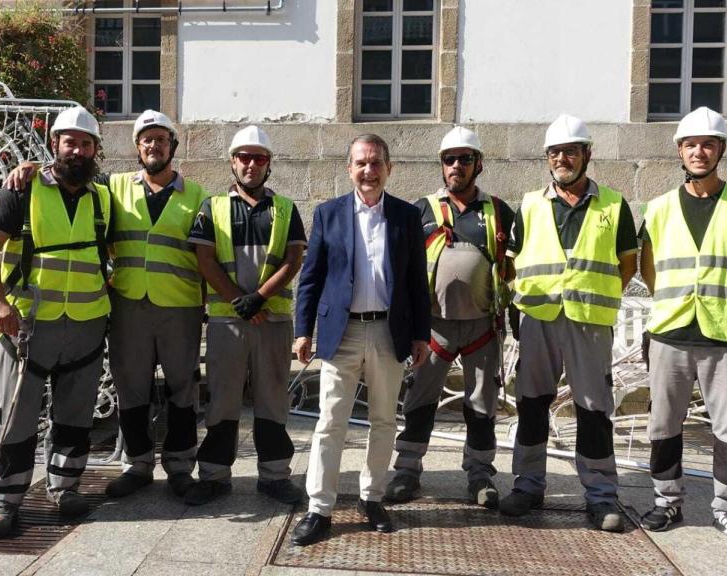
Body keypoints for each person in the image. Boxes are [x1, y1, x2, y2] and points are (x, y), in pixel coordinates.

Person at [2, 110, 209, 500]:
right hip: (128, 305)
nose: (153, 145)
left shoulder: (196, 195)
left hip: (180, 308)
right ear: (136, 147)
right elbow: (67, 178)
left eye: (161, 139)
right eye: (146, 139)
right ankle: (137, 465)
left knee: (183, 391)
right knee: (132, 390)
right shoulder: (113, 188)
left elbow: (206, 255)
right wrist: (28, 168)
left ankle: (181, 468)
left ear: (173, 146)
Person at [0, 106, 111, 537]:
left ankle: (65, 486)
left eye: (86, 143)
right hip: (27, 325)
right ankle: (4, 498)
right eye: (69, 142)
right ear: (55, 145)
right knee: (15, 413)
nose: (78, 150)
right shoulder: (23, 189)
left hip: (86, 322)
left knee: (75, 412)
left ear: (95, 150)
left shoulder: (103, 194)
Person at [290, 134, 431, 546]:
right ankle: (320, 508)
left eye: (375, 163)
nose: (368, 171)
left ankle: (372, 498)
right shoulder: (329, 214)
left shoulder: (406, 216)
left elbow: (416, 283)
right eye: (361, 163)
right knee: (330, 421)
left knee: (384, 420)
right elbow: (311, 279)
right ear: (348, 168)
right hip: (343, 332)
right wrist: (303, 330)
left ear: (389, 167)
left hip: (389, 332)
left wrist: (421, 333)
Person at [638, 106, 727, 549]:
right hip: (671, 332)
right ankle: (667, 501)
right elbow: (649, 268)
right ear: (680, 150)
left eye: (708, 144)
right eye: (691, 144)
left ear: (721, 150)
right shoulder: (657, 209)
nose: (699, 151)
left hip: (724, 334)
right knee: (663, 423)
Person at [501, 114, 637, 533]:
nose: (563, 159)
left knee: (594, 409)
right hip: (539, 318)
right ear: (547, 159)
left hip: (588, 321)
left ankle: (600, 496)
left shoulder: (614, 205)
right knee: (531, 403)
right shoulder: (529, 204)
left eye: (571, 151)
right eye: (555, 153)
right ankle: (527, 485)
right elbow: (511, 264)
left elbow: (626, 265)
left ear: (587, 155)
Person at [384, 126, 514, 509]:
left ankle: (480, 475)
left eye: (465, 159)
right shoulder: (420, 210)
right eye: (449, 159)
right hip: (434, 327)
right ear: (441, 166)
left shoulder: (498, 211)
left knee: (481, 404)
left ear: (479, 164)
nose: (457, 166)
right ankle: (407, 470)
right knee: (420, 401)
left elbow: (513, 266)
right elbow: (402, 266)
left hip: (481, 327)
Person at [184, 125, 306, 505]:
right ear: (233, 163)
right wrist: (239, 299)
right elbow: (204, 259)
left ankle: (274, 476)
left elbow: (294, 258)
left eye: (259, 158)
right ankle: (215, 476)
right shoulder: (213, 207)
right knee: (222, 400)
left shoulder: (285, 208)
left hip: (273, 321)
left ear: (269, 164)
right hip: (226, 322)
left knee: (273, 400)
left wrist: (259, 298)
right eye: (244, 157)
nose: (251, 164)